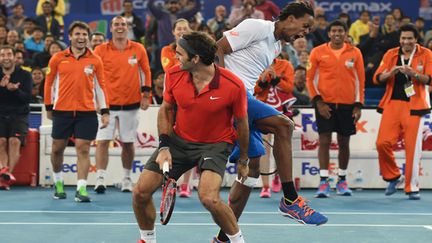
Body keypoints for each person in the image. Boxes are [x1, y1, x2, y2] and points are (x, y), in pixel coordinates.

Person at [213, 2, 328, 242]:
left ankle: (222, 239)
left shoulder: (276, 46)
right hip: (232, 94)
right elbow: (217, 49)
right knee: (284, 125)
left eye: (308, 30)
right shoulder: (258, 26)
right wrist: (223, 87)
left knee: (253, 169)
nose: (304, 33)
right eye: (304, 26)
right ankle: (290, 199)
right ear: (290, 18)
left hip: (245, 98)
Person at [132, 31, 249, 243]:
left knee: (210, 199)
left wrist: (243, 159)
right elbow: (166, 110)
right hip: (178, 142)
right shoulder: (173, 75)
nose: (175, 57)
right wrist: (165, 147)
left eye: (180, 53)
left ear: (195, 59)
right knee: (140, 192)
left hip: (216, 145)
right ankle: (147, 240)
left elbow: (242, 123)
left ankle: (239, 241)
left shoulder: (233, 85)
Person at [44, 21, 110, 202]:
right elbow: (49, 84)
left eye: (84, 35)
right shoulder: (57, 58)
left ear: (87, 38)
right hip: (62, 111)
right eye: (77, 34)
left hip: (86, 112)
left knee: (83, 149)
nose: (81, 38)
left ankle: (81, 189)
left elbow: (100, 87)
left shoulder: (95, 60)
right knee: (57, 149)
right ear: (70, 37)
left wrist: (105, 110)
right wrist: (49, 107)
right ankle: (58, 183)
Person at [306, 20, 365, 198]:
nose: (337, 34)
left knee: (344, 142)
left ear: (346, 33)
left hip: (347, 104)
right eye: (334, 31)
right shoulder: (317, 52)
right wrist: (318, 102)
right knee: (324, 141)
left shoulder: (355, 52)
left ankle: (342, 179)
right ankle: (323, 181)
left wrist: (358, 104)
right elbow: (310, 79)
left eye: (340, 31)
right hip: (325, 103)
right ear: (329, 33)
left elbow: (361, 80)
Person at [93, 16, 151, 193]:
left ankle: (126, 178)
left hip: (131, 104)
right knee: (102, 141)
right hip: (107, 107)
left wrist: (146, 95)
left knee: (128, 143)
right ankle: (100, 178)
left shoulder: (138, 48)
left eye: (123, 24)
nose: (120, 27)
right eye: (116, 24)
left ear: (128, 28)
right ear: (110, 28)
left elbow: (146, 71)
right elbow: (93, 76)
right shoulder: (100, 50)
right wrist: (96, 100)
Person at [373, 24, 432, 200]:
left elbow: (429, 79)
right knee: (382, 143)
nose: (406, 41)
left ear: (416, 39)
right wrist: (390, 73)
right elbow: (377, 78)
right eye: (403, 38)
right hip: (392, 103)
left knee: (412, 148)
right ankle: (393, 176)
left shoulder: (426, 54)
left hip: (415, 105)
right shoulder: (391, 54)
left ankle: (412, 186)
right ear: (400, 39)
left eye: (410, 38)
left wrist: (413, 74)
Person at [253, 57, 295, 198]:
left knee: (282, 147)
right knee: (265, 149)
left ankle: (279, 176)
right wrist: (263, 81)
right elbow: (252, 88)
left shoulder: (286, 65)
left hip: (281, 110)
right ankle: (265, 186)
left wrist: (276, 79)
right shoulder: (255, 62)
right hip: (262, 109)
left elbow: (289, 88)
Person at [0, 46, 33, 190]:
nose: (6, 57)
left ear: (14, 57)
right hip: (0, 114)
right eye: (2, 55)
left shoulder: (25, 75)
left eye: (8, 54)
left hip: (19, 114)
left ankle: (6, 176)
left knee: (14, 141)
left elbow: (27, 98)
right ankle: (4, 175)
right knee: (1, 141)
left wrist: (15, 90)